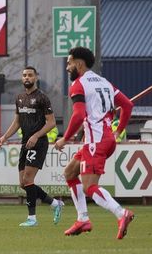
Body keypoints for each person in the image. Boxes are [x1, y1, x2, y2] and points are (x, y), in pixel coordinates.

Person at [55, 46, 135, 239]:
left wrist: (65, 138)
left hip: (95, 141)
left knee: (89, 187)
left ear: (79, 63)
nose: (67, 67)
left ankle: (121, 213)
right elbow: (127, 105)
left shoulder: (79, 84)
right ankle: (82, 218)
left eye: (69, 62)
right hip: (105, 139)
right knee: (69, 173)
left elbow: (78, 114)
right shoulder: (105, 82)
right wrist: (118, 131)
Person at [0, 66, 64, 227]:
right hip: (25, 142)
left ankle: (32, 218)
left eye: (30, 75)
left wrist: (36, 135)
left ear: (36, 78)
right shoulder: (19, 98)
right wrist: (5, 136)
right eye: (24, 75)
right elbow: (17, 121)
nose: (27, 78)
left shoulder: (42, 98)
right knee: (23, 183)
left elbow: (52, 123)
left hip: (38, 142)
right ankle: (55, 204)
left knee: (28, 179)